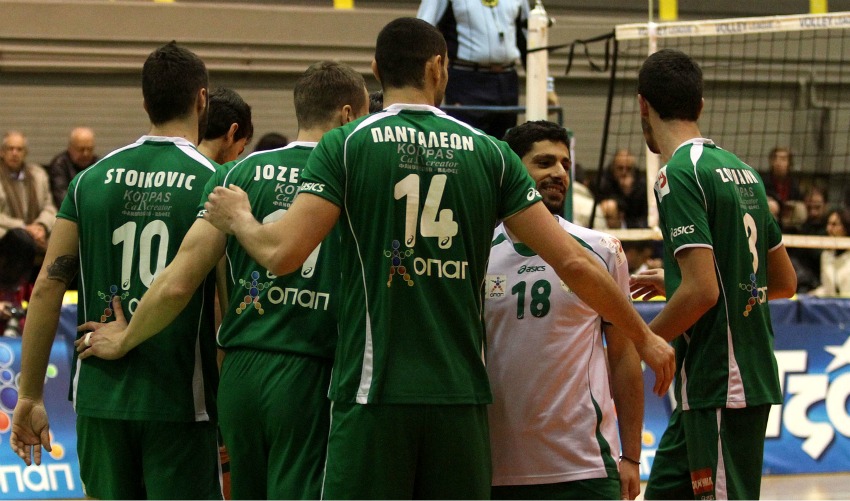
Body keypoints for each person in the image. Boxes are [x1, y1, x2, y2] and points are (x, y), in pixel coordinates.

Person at [200, 18, 673, 499]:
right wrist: (645, 337)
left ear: (377, 69)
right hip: (459, 400)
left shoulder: (345, 145)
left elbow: (282, 255)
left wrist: (240, 218)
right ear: (438, 68)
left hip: (371, 395)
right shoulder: (491, 153)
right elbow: (573, 262)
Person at [74, 60, 370, 499]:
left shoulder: (238, 175)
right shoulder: (354, 177)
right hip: (312, 369)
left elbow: (178, 279)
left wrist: (126, 338)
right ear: (347, 116)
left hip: (242, 374)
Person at [10, 41, 222, 500]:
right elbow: (224, 308)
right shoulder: (216, 182)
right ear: (202, 99)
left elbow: (47, 286)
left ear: (145, 102)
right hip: (180, 400)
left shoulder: (89, 180)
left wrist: (29, 395)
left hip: (99, 394)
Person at [629, 49, 797, 500]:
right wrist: (677, 281)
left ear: (643, 105)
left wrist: (641, 341)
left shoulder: (677, 175)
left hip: (722, 382)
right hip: (716, 385)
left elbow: (703, 291)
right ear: (700, 105)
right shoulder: (744, 172)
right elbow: (783, 283)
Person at [486, 120, 645, 500]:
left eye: (565, 164)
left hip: (587, 465)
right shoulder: (477, 252)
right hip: (497, 466)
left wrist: (632, 456)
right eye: (545, 163)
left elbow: (623, 356)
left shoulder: (602, 250)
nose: (559, 173)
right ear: (512, 170)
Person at [417, 0, 530, 140]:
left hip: (507, 80)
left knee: (506, 143)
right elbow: (422, 33)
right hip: (466, 81)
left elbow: (531, 36)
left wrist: (546, 86)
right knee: (466, 140)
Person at [0, 131, 56, 257]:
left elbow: (49, 207)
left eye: (19, 149)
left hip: (37, 233)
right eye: (10, 149)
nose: (15, 153)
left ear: (25, 153)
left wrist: (40, 226)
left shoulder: (38, 175)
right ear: (2, 152)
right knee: (20, 240)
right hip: (7, 233)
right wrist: (24, 227)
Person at [198, 87, 254, 165]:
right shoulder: (221, 173)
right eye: (239, 151)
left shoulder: (180, 160)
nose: (236, 159)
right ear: (232, 131)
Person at [47, 127, 98, 208]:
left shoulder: (98, 164)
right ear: (70, 148)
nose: (86, 154)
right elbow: (63, 199)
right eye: (81, 149)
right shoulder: (59, 165)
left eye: (89, 149)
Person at [597, 148, 648, 228]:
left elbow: (645, 218)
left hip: (633, 227)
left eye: (628, 168)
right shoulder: (603, 182)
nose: (624, 172)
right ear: (613, 168)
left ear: (633, 170)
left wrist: (629, 193)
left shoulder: (641, 185)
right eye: (620, 168)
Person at [809, 207, 850, 297]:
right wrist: (810, 295)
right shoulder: (826, 255)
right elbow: (827, 288)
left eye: (834, 224)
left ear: (846, 227)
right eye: (828, 224)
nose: (829, 229)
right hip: (832, 304)